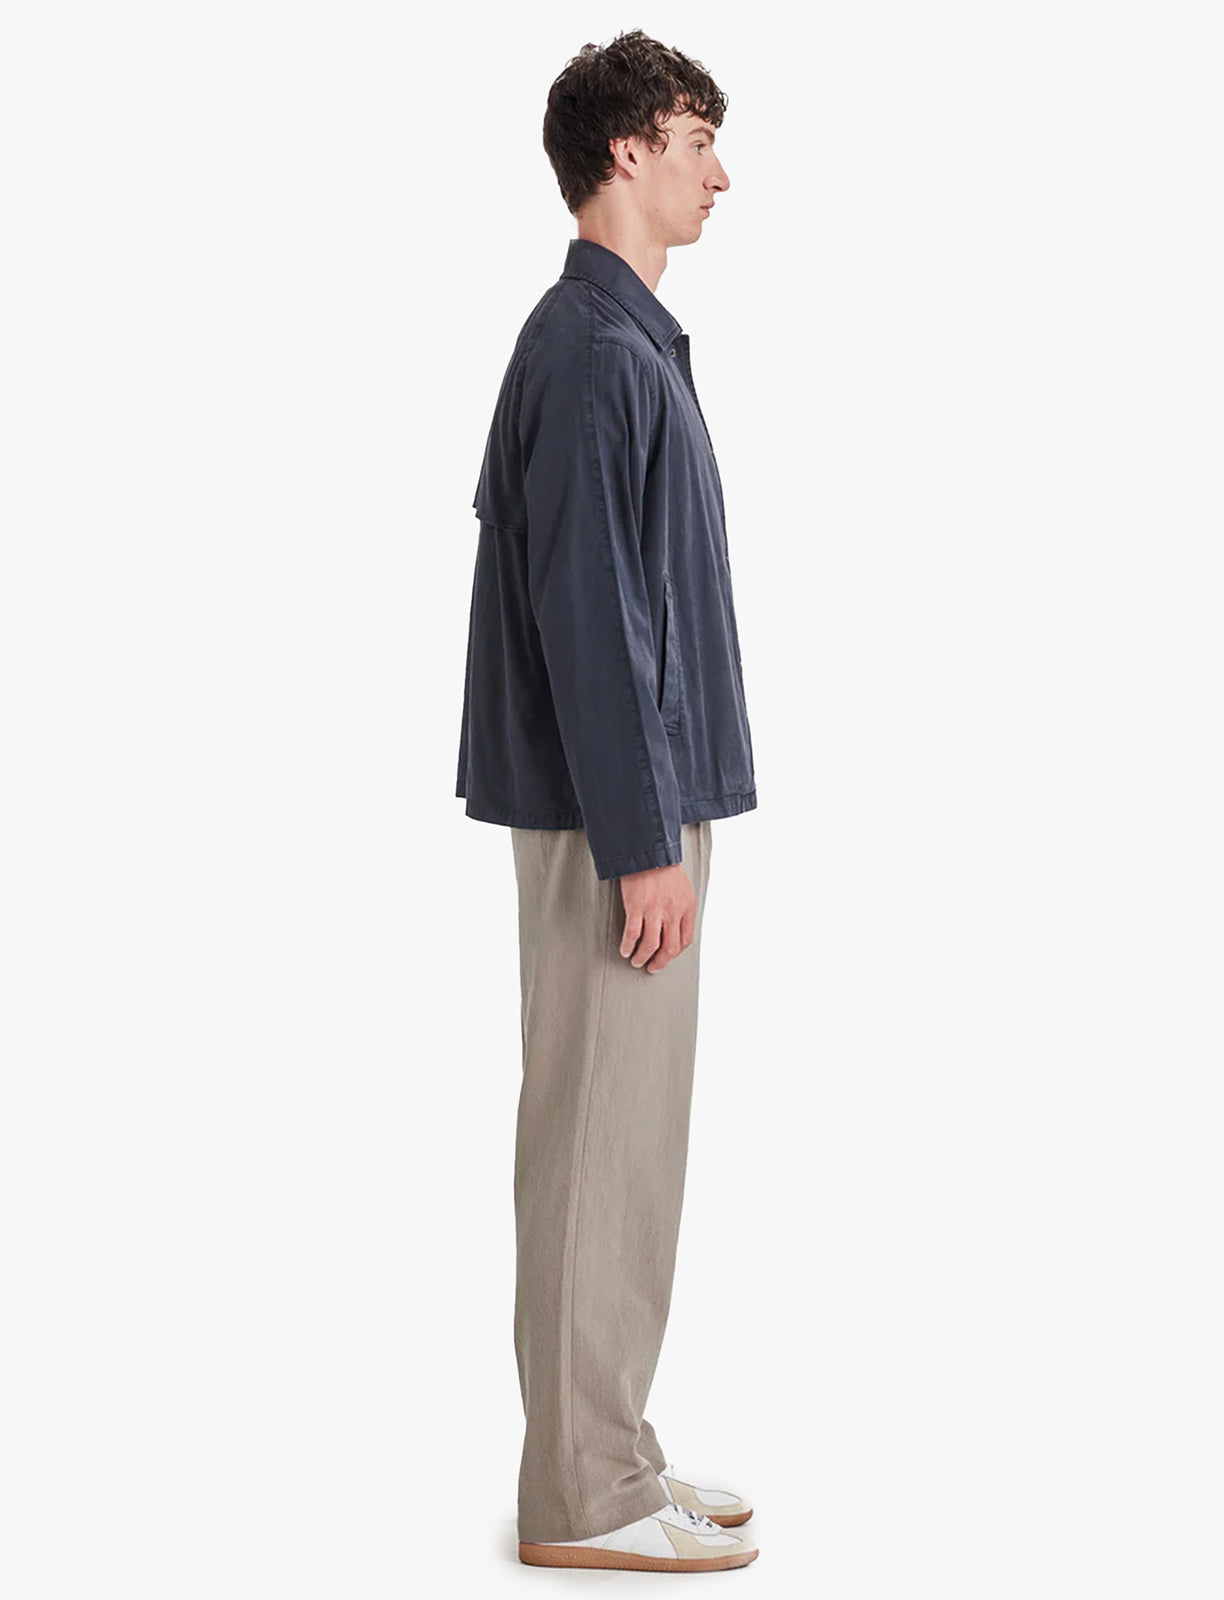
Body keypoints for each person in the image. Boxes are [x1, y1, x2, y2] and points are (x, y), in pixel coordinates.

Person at [454, 30, 760, 1573]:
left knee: (627, 1147)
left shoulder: (622, 344)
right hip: (611, 824)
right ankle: (579, 1495)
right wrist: (643, 846)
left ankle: (612, 1448)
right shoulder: (586, 352)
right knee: (593, 1144)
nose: (722, 173)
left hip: (636, 805)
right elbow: (589, 615)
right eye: (698, 139)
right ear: (626, 151)